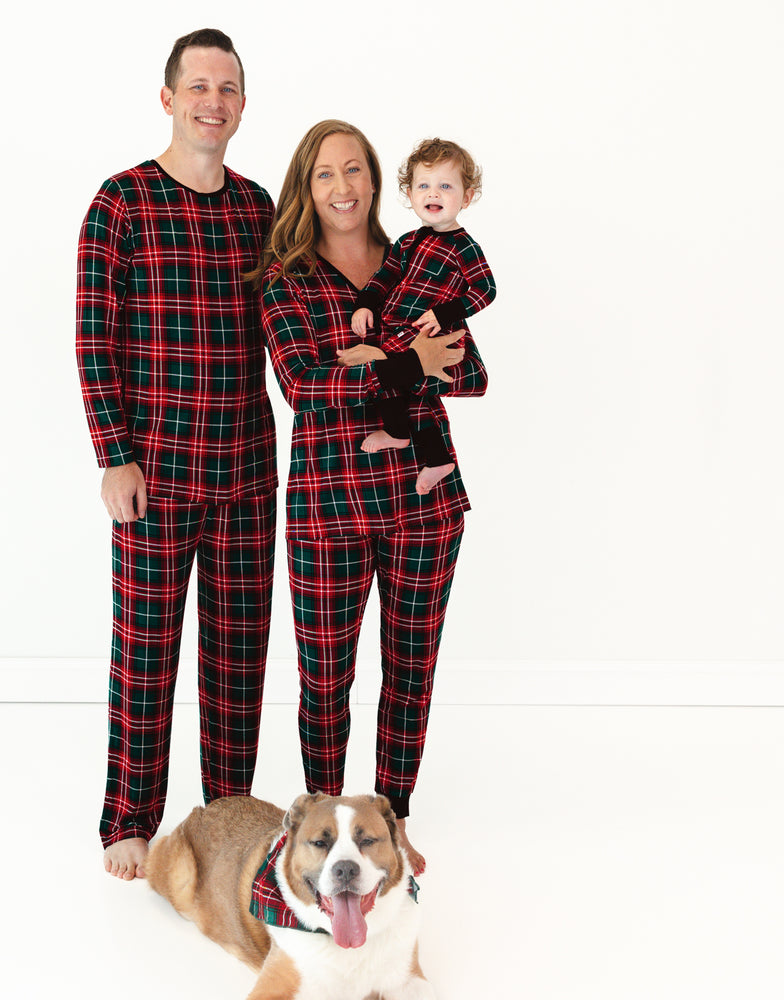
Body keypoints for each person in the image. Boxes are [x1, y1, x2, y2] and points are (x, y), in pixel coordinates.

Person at [254, 120, 488, 875]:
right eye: (325, 174)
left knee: (410, 669)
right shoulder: (286, 278)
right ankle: (324, 823)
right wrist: (408, 361)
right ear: (306, 187)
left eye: (355, 170)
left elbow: (471, 371)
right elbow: (304, 388)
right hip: (328, 510)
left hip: (426, 502)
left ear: (376, 181)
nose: (343, 187)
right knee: (326, 678)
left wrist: (380, 357)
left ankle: (393, 819)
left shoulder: (420, 257)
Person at [75, 28, 276, 882]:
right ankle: (130, 818)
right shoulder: (120, 202)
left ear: (241, 104)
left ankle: (228, 820)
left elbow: (296, 328)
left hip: (248, 472)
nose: (212, 102)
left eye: (227, 89)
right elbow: (93, 339)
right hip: (152, 474)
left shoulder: (261, 208)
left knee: (238, 655)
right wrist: (113, 455)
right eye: (198, 87)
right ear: (168, 98)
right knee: (146, 648)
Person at [351, 137, 496, 496]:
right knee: (403, 386)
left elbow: (485, 289)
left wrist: (444, 312)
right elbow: (385, 277)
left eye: (446, 186)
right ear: (411, 193)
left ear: (467, 196)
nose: (434, 194)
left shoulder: (465, 247)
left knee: (393, 372)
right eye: (424, 186)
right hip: (396, 325)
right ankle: (432, 455)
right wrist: (366, 302)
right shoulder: (408, 242)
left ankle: (403, 436)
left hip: (428, 330)